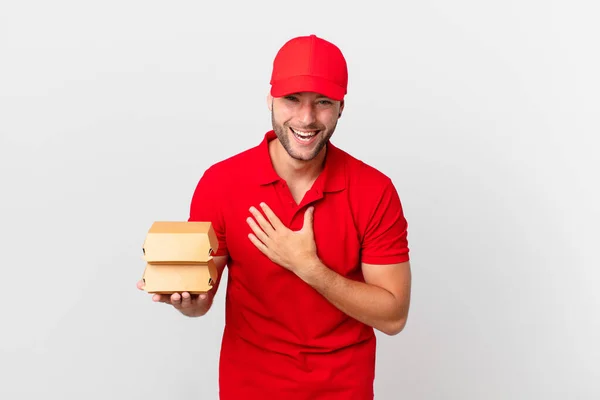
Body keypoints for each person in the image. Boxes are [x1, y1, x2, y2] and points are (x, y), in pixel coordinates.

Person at [137, 34, 412, 399]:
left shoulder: (374, 191)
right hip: (249, 386)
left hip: (343, 389)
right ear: (270, 99)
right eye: (292, 99)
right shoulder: (221, 183)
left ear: (342, 107)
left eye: (323, 102)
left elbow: (393, 316)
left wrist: (308, 267)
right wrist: (187, 300)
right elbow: (203, 297)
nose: (306, 118)